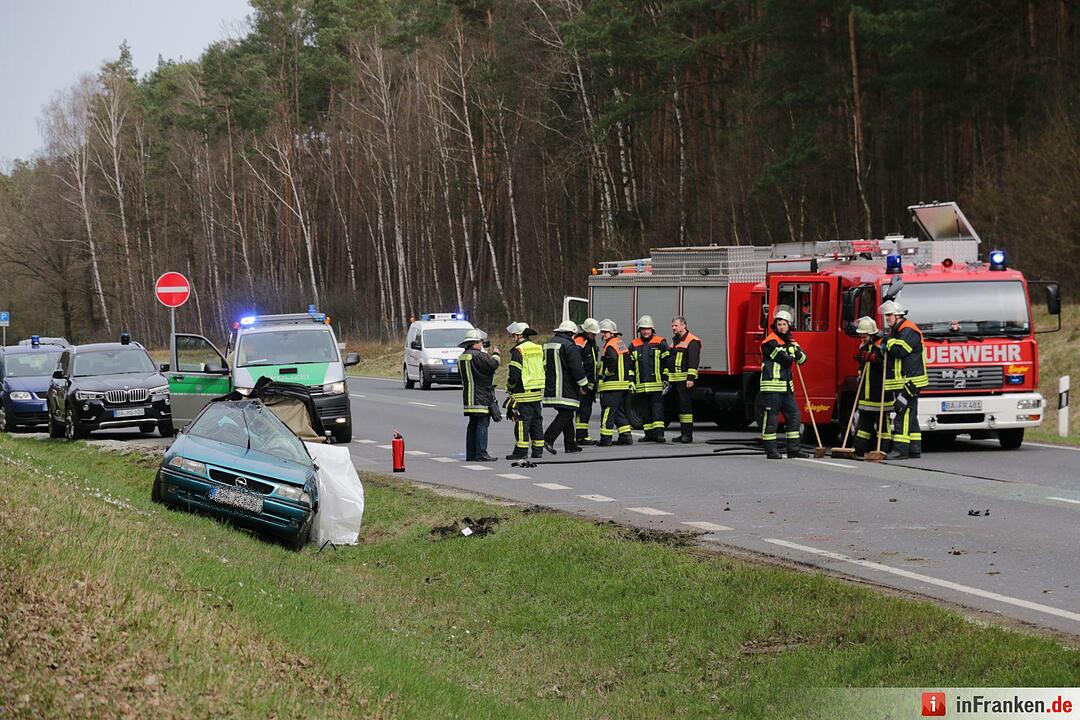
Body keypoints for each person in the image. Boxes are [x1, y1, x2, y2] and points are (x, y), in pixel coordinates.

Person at [881, 300, 928, 459]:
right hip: (904, 381)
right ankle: (915, 449)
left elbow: (900, 351)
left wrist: (887, 342)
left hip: (910, 381)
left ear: (898, 315)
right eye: (886, 315)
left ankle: (901, 450)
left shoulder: (908, 330)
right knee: (911, 414)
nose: (887, 318)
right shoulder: (897, 330)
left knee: (903, 412)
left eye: (889, 315)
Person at [758, 308, 808, 459]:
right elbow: (785, 360)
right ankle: (771, 450)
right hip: (772, 388)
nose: (781, 327)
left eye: (784, 324)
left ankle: (793, 449)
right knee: (772, 420)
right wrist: (792, 351)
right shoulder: (770, 342)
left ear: (789, 325)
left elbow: (803, 359)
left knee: (794, 416)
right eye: (779, 324)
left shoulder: (790, 341)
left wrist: (794, 351)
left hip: (786, 388)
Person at [542, 320, 590, 454]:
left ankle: (570, 444)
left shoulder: (549, 344)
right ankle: (548, 438)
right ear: (570, 333)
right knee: (567, 413)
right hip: (565, 387)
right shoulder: (569, 345)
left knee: (566, 413)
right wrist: (584, 385)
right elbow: (576, 368)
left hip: (551, 386)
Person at [850, 316, 890, 458]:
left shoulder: (882, 346)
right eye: (861, 335)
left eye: (865, 335)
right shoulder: (863, 347)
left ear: (872, 334)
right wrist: (860, 358)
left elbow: (887, 366)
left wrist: (876, 359)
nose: (862, 338)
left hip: (880, 393)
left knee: (883, 425)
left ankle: (883, 449)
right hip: (866, 393)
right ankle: (859, 449)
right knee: (863, 425)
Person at [505, 322, 546, 460]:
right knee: (536, 422)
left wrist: (509, 387)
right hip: (537, 391)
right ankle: (537, 450)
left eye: (514, 336)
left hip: (523, 392)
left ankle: (521, 451)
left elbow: (514, 374)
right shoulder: (538, 348)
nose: (513, 339)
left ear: (520, 335)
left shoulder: (518, 351)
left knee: (522, 421)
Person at [458, 329, 500, 462]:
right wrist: (496, 354)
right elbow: (493, 365)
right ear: (475, 342)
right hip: (481, 397)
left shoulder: (463, 356)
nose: (482, 344)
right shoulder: (478, 356)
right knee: (482, 424)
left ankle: (471, 454)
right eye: (481, 341)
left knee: (472, 425)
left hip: (469, 397)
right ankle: (481, 453)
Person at [629, 315, 669, 442]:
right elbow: (630, 366)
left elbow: (666, 363)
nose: (646, 332)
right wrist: (631, 381)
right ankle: (648, 434)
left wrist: (666, 379)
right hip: (641, 386)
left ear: (652, 330)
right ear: (639, 330)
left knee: (657, 410)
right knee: (644, 411)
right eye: (643, 329)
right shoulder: (633, 345)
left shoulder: (661, 343)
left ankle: (659, 434)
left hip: (656, 385)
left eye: (648, 329)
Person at [597, 319, 634, 446]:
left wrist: (606, 374)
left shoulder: (610, 345)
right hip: (622, 385)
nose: (603, 335)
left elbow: (612, 360)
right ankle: (626, 436)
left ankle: (605, 439)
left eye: (605, 333)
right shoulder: (620, 343)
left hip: (611, 385)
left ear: (612, 333)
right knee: (619, 411)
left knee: (607, 411)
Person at [666, 316, 701, 443]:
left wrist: (690, 378)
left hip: (685, 380)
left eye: (676, 325)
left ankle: (687, 435)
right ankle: (683, 434)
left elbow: (693, 361)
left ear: (683, 326)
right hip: (675, 380)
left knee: (685, 408)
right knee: (680, 408)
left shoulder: (692, 340)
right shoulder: (675, 341)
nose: (673, 328)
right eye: (672, 326)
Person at [574, 318, 601, 445]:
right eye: (592, 333)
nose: (594, 335)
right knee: (582, 409)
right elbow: (577, 365)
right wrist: (581, 384)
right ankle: (580, 436)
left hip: (590, 383)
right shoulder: (580, 342)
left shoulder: (590, 342)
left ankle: (582, 435)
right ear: (585, 331)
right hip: (582, 383)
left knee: (586, 409)